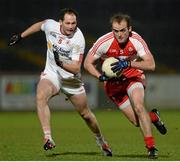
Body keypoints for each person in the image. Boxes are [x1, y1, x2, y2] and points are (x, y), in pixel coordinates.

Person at [8, 8, 112, 156]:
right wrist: (20, 36)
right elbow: (40, 25)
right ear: (60, 22)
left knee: (86, 114)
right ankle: (48, 137)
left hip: (71, 80)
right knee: (40, 96)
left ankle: (101, 140)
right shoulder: (51, 26)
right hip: (52, 75)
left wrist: (61, 63)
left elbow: (76, 68)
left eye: (74, 23)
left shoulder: (78, 38)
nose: (71, 26)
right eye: (68, 23)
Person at [84, 13, 167, 159]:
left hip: (132, 76)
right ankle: (153, 117)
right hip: (113, 85)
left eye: (123, 30)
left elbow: (151, 64)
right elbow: (87, 63)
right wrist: (99, 76)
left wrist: (129, 63)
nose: (119, 34)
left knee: (139, 106)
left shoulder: (136, 40)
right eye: (116, 31)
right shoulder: (104, 42)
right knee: (137, 121)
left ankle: (151, 147)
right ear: (112, 30)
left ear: (129, 29)